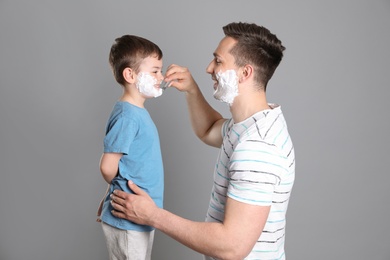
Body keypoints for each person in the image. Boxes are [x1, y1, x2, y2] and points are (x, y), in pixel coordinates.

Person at [110, 22, 295, 260]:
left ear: (245, 73)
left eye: (218, 61)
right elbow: (208, 130)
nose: (208, 68)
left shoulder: (257, 146)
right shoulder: (251, 123)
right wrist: (192, 90)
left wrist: (153, 215)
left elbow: (232, 247)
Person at [96, 34, 166, 260]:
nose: (161, 77)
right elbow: (108, 166)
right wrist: (116, 193)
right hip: (128, 217)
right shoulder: (128, 116)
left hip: (142, 214)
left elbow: (126, 164)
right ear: (130, 74)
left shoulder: (137, 113)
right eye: (155, 71)